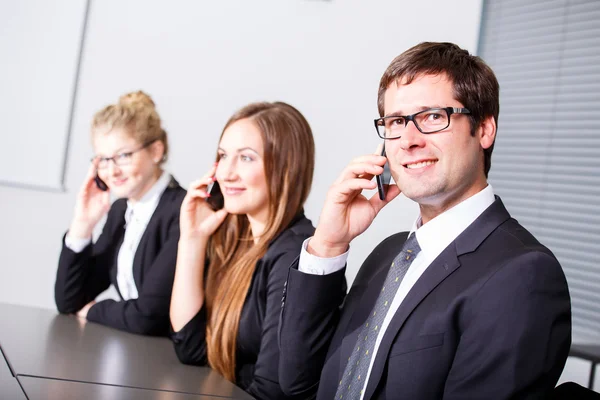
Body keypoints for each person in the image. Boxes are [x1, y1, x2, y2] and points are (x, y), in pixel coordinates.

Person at [278, 42, 572, 400]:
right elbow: (299, 384)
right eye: (397, 121)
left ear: (484, 130)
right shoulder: (388, 254)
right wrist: (328, 245)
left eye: (433, 116)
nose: (408, 141)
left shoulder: (523, 274)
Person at [169, 102, 316, 399]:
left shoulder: (295, 256)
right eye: (223, 157)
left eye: (246, 158)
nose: (226, 173)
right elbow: (190, 346)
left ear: (286, 168)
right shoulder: (236, 239)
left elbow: (271, 392)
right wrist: (192, 240)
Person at [55, 91, 186, 336]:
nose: (111, 171)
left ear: (156, 151)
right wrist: (82, 224)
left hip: (168, 359)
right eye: (103, 159)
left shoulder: (182, 211)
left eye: (123, 156)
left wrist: (94, 311)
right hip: (134, 349)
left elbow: (148, 316)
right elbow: (69, 300)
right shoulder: (122, 210)